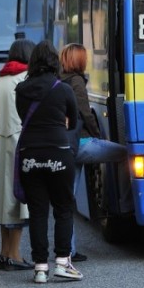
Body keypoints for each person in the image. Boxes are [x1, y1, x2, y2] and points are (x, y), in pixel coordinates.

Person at [15, 40, 81, 284]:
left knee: (37, 211)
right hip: (58, 152)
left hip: (30, 153)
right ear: (55, 61)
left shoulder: (21, 90)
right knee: (63, 208)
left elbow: (23, 117)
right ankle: (63, 262)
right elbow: (73, 122)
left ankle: (40, 267)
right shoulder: (63, 89)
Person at [59, 43, 128, 262]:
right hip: (84, 143)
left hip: (68, 146)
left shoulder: (60, 80)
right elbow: (85, 112)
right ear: (79, 60)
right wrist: (98, 134)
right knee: (128, 155)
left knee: (67, 200)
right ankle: (124, 203)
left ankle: (67, 250)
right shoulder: (77, 81)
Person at [0, 38, 36, 271]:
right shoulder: (26, 80)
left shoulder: (0, 81)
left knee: (3, 201)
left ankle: (3, 253)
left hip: (1, 145)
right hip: (21, 145)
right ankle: (15, 255)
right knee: (19, 201)